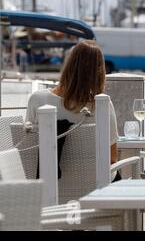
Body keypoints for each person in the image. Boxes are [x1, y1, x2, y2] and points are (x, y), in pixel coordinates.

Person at [25, 40, 120, 179]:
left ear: (69, 65)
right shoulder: (102, 104)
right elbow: (111, 159)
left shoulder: (38, 99)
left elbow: (30, 148)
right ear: (99, 72)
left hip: (47, 185)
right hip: (95, 188)